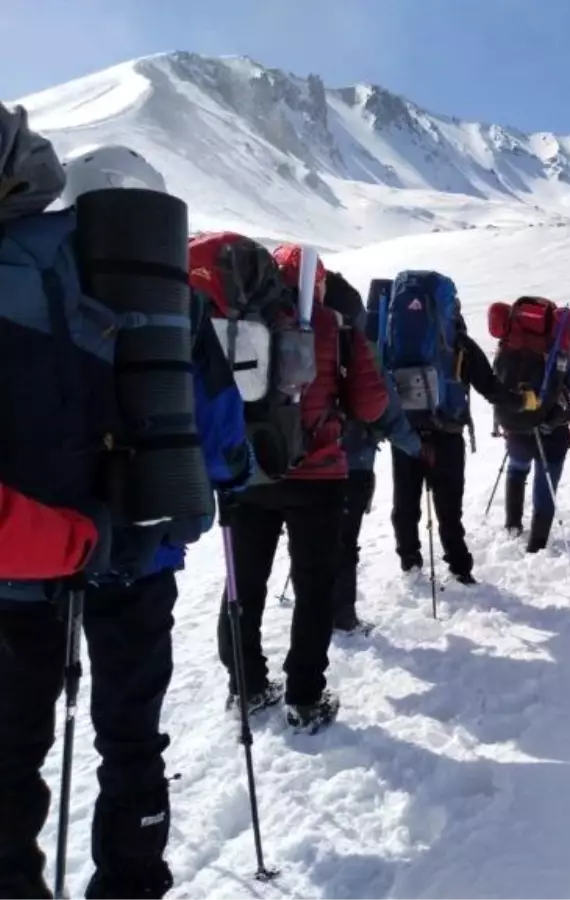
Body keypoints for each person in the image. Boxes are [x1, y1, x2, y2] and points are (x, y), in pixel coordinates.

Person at [0, 116, 253, 899]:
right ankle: (133, 882)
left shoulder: (12, 262)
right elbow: (217, 425)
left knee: (8, 754)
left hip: (20, 572)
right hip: (141, 552)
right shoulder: (173, 297)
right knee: (132, 739)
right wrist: (231, 482)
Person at [206, 239, 389, 734]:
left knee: (243, 586)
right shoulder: (332, 325)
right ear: (317, 282)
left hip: (250, 473)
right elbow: (371, 404)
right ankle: (304, 698)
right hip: (319, 477)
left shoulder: (238, 321)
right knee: (312, 588)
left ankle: (246, 687)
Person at [382, 273, 535, 585]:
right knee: (448, 507)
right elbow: (489, 386)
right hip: (447, 432)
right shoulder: (459, 341)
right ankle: (459, 568)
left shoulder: (393, 335)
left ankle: (410, 563)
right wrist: (520, 402)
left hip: (406, 431)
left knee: (405, 505)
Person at [321, 270, 421, 634]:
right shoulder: (357, 345)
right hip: (353, 461)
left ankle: (313, 612)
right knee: (344, 543)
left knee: (311, 544)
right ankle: (341, 617)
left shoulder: (294, 335)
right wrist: (415, 447)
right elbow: (385, 408)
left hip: (295, 462)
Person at [496, 300, 570, 553]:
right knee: (545, 481)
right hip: (552, 426)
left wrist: (500, 421)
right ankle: (537, 544)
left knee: (516, 469)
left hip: (515, 424)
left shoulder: (510, 342)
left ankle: (512, 525)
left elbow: (498, 382)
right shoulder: (562, 348)